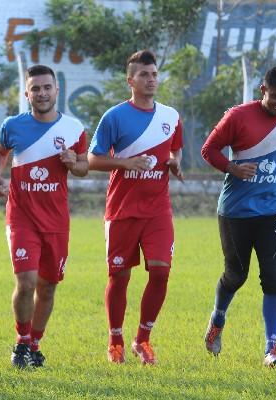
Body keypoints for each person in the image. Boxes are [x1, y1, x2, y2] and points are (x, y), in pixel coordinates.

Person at [201, 65, 276, 368]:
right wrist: (232, 168)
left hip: (274, 211)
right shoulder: (237, 116)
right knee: (236, 276)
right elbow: (208, 150)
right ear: (263, 90)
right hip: (236, 213)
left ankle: (272, 349)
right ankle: (217, 319)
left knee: (274, 279)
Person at [88, 50, 184, 365]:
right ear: (131, 80)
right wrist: (126, 162)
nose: (151, 79)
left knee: (161, 272)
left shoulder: (170, 117)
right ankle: (115, 339)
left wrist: (175, 162)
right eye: (144, 75)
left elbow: (176, 148)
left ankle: (142, 339)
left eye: (154, 74)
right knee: (119, 277)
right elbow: (93, 159)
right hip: (122, 210)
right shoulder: (114, 116)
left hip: (158, 209)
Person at [0, 64, 88, 368]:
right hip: (21, 217)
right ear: (27, 94)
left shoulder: (74, 129)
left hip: (56, 222)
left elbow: (84, 168)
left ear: (57, 90)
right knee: (26, 281)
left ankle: (35, 343)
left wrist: (74, 162)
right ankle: (21, 342)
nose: (42, 93)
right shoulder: (13, 125)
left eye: (47, 87)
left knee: (47, 286)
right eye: (35, 89)